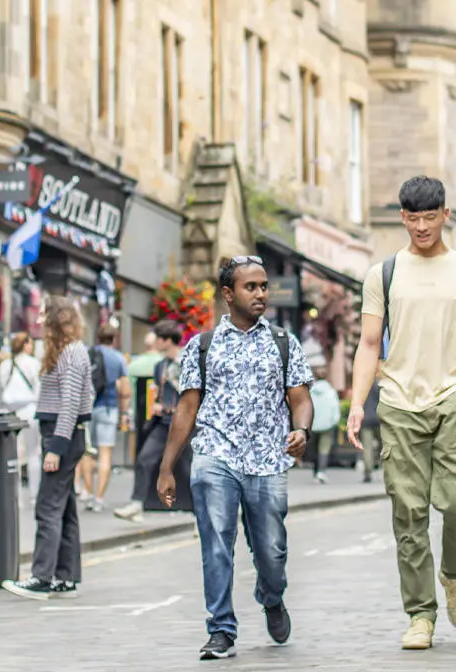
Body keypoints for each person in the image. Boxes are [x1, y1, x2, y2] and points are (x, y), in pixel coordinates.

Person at [346, 176, 456, 650]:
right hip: (398, 403)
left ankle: (455, 576)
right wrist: (357, 403)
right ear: (402, 217)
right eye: (412, 218)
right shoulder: (384, 274)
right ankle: (420, 614)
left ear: (445, 215)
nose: (421, 226)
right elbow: (370, 344)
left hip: (451, 401)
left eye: (429, 217)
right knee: (409, 514)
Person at [155, 256, 313, 660]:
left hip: (268, 460)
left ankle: (271, 595)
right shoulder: (202, 346)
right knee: (216, 545)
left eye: (263, 286)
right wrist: (167, 466)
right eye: (251, 287)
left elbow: (300, 398)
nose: (261, 293)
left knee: (272, 551)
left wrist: (302, 430)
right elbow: (186, 409)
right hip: (215, 456)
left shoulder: (283, 342)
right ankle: (221, 629)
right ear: (228, 294)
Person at [3, 299, 94, 600]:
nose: (39, 319)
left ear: (57, 320)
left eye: (44, 314)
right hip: (64, 435)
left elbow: (70, 403)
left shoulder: (69, 353)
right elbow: (85, 396)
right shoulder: (71, 351)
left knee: (47, 508)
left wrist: (56, 448)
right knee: (64, 508)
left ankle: (41, 577)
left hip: (60, 437)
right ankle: (65, 577)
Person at [117, 320, 187, 522]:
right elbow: (160, 391)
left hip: (185, 426)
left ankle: (202, 511)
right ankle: (137, 504)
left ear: (167, 340)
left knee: (190, 469)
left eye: (158, 338)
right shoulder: (160, 366)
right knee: (145, 458)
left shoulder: (186, 362)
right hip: (164, 423)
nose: (154, 342)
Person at [80, 328, 132, 512]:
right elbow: (125, 391)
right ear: (114, 339)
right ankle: (99, 498)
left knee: (87, 452)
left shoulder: (88, 353)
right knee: (105, 454)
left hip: (88, 408)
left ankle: (86, 491)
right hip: (109, 408)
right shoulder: (118, 358)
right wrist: (124, 414)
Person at [0, 332, 41, 486]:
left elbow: (2, 386)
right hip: (30, 410)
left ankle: (13, 493)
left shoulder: (5, 364)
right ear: (25, 344)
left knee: (12, 454)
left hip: (11, 412)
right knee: (33, 453)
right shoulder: (34, 363)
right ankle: (34, 495)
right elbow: (38, 388)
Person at [307, 365, 341, 484]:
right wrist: (334, 421)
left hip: (314, 425)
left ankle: (315, 472)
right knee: (324, 449)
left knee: (315, 449)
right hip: (327, 425)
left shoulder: (311, 392)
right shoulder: (331, 392)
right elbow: (335, 409)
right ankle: (321, 471)